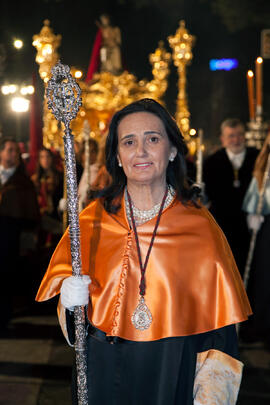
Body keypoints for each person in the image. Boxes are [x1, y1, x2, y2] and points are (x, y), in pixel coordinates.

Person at [36, 99, 251, 405]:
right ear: (118, 156)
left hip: (172, 369)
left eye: (152, 138)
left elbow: (220, 335)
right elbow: (76, 321)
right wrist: (69, 305)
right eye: (128, 142)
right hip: (101, 367)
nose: (141, 151)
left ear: (172, 150)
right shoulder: (93, 221)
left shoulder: (200, 228)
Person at [203, 118, 258, 276]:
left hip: (251, 225)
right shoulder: (212, 162)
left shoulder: (257, 158)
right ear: (223, 139)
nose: (236, 140)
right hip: (222, 226)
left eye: (240, 135)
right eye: (231, 136)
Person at [0, 137, 39, 327]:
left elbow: (31, 211)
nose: (13, 154)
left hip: (10, 236)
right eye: (9, 150)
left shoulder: (23, 182)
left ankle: (6, 314)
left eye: (15, 151)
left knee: (7, 275)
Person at [241, 132, 270, 343]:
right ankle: (262, 325)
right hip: (267, 226)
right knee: (265, 276)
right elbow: (254, 193)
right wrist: (254, 213)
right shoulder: (263, 165)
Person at [31, 147, 63, 248]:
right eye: (42, 157)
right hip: (39, 217)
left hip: (55, 216)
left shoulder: (59, 177)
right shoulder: (35, 179)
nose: (45, 160)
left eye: (47, 157)